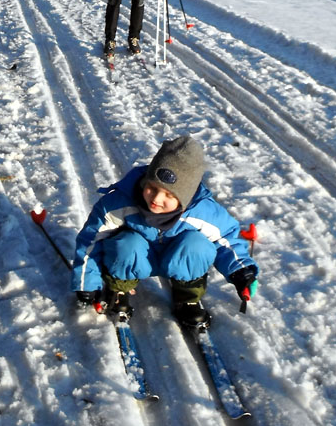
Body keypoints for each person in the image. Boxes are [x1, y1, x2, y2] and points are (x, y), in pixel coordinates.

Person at [71, 136, 259, 327]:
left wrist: (241, 270)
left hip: (179, 260)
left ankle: (187, 298)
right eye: (152, 187)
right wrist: (87, 283)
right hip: (136, 257)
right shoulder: (119, 204)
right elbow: (91, 240)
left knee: (198, 246)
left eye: (169, 194)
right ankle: (119, 289)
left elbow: (227, 239)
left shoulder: (203, 212)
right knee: (126, 244)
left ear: (185, 197)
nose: (156, 199)